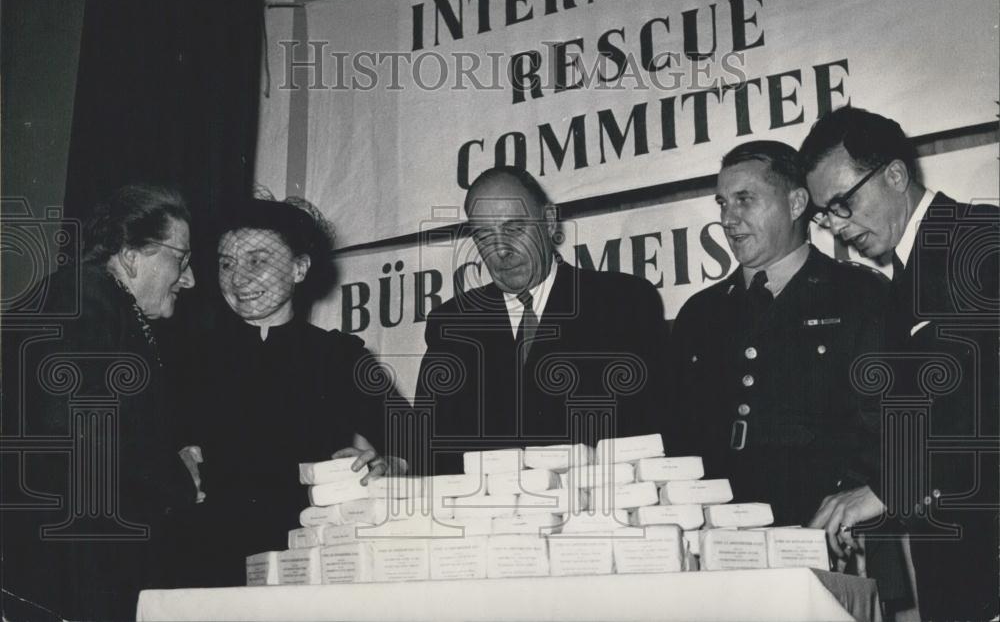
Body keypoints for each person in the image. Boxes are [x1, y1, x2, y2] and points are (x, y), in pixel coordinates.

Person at [801, 106, 999, 621]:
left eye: (844, 202)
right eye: (826, 213)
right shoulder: (902, 283)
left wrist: (889, 488)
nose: (838, 228)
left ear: (894, 174)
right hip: (959, 574)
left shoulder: (978, 243)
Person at [667, 141, 890, 528]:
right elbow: (678, 432)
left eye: (745, 199)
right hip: (719, 533)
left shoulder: (859, 296)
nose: (728, 219)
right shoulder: (700, 313)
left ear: (796, 203)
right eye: (722, 203)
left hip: (825, 525)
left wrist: (855, 499)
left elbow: (886, 424)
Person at [2, 184, 198, 621]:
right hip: (61, 569)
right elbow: (79, 430)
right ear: (131, 255)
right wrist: (176, 476)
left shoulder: (95, 301)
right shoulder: (86, 300)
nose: (189, 278)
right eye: (180, 259)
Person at [184, 197, 397, 587]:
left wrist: (387, 465)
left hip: (310, 556)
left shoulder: (339, 356)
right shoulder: (191, 355)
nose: (237, 279)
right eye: (226, 264)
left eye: (258, 261)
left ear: (300, 268)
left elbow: (413, 440)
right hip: (208, 560)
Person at [413, 166, 667, 476]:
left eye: (514, 229)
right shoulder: (450, 324)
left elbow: (654, 431)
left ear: (548, 222)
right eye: (484, 235)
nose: (501, 250)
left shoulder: (624, 302)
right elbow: (429, 452)